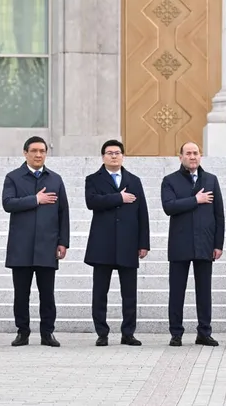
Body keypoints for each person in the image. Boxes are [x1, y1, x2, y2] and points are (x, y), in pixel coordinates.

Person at [3, 136, 69, 348]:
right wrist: (36, 199)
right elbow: (8, 203)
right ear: (25, 153)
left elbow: (63, 213)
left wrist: (63, 242)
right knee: (21, 295)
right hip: (21, 246)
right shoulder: (13, 177)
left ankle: (47, 333)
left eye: (42, 151)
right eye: (34, 151)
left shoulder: (55, 179)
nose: (38, 155)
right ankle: (22, 332)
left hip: (47, 246)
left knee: (47, 294)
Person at [85, 139, 150, 346]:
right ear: (103, 156)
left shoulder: (134, 180)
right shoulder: (93, 179)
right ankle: (102, 333)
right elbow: (91, 202)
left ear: (123, 156)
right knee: (100, 292)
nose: (114, 156)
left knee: (129, 293)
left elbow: (142, 213)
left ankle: (128, 333)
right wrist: (118, 198)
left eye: (117, 153)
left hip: (128, 243)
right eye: (109, 153)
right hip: (102, 244)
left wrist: (143, 243)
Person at [161, 141, 224, 347]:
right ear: (180, 157)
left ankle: (204, 332)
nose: (192, 157)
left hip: (205, 243)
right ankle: (176, 333)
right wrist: (195, 200)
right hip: (180, 243)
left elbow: (219, 214)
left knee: (204, 291)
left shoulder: (211, 180)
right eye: (188, 153)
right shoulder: (170, 180)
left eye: (195, 153)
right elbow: (169, 207)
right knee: (176, 291)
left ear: (200, 156)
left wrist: (218, 244)